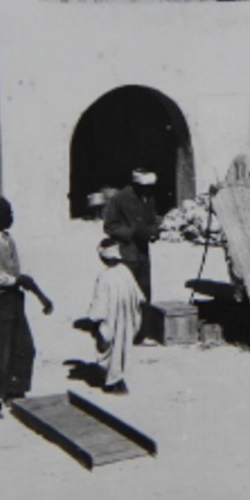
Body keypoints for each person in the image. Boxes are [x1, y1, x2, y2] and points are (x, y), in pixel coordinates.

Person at [0, 196, 53, 419]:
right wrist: (16, 281)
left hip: (15, 300)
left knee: (24, 347)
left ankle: (14, 390)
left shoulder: (8, 239)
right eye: (8, 214)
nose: (12, 218)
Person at [75, 237, 144, 394]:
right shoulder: (126, 272)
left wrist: (93, 321)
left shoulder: (104, 277)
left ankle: (113, 382)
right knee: (122, 349)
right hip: (126, 320)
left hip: (111, 321)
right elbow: (139, 297)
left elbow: (100, 305)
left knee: (109, 348)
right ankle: (118, 379)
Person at [103, 169, 161, 301]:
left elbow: (152, 220)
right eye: (145, 187)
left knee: (144, 293)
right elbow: (109, 226)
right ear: (136, 185)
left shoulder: (149, 198)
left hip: (143, 254)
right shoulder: (119, 199)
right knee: (126, 294)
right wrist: (132, 232)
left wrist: (154, 231)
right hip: (126, 254)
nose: (148, 190)